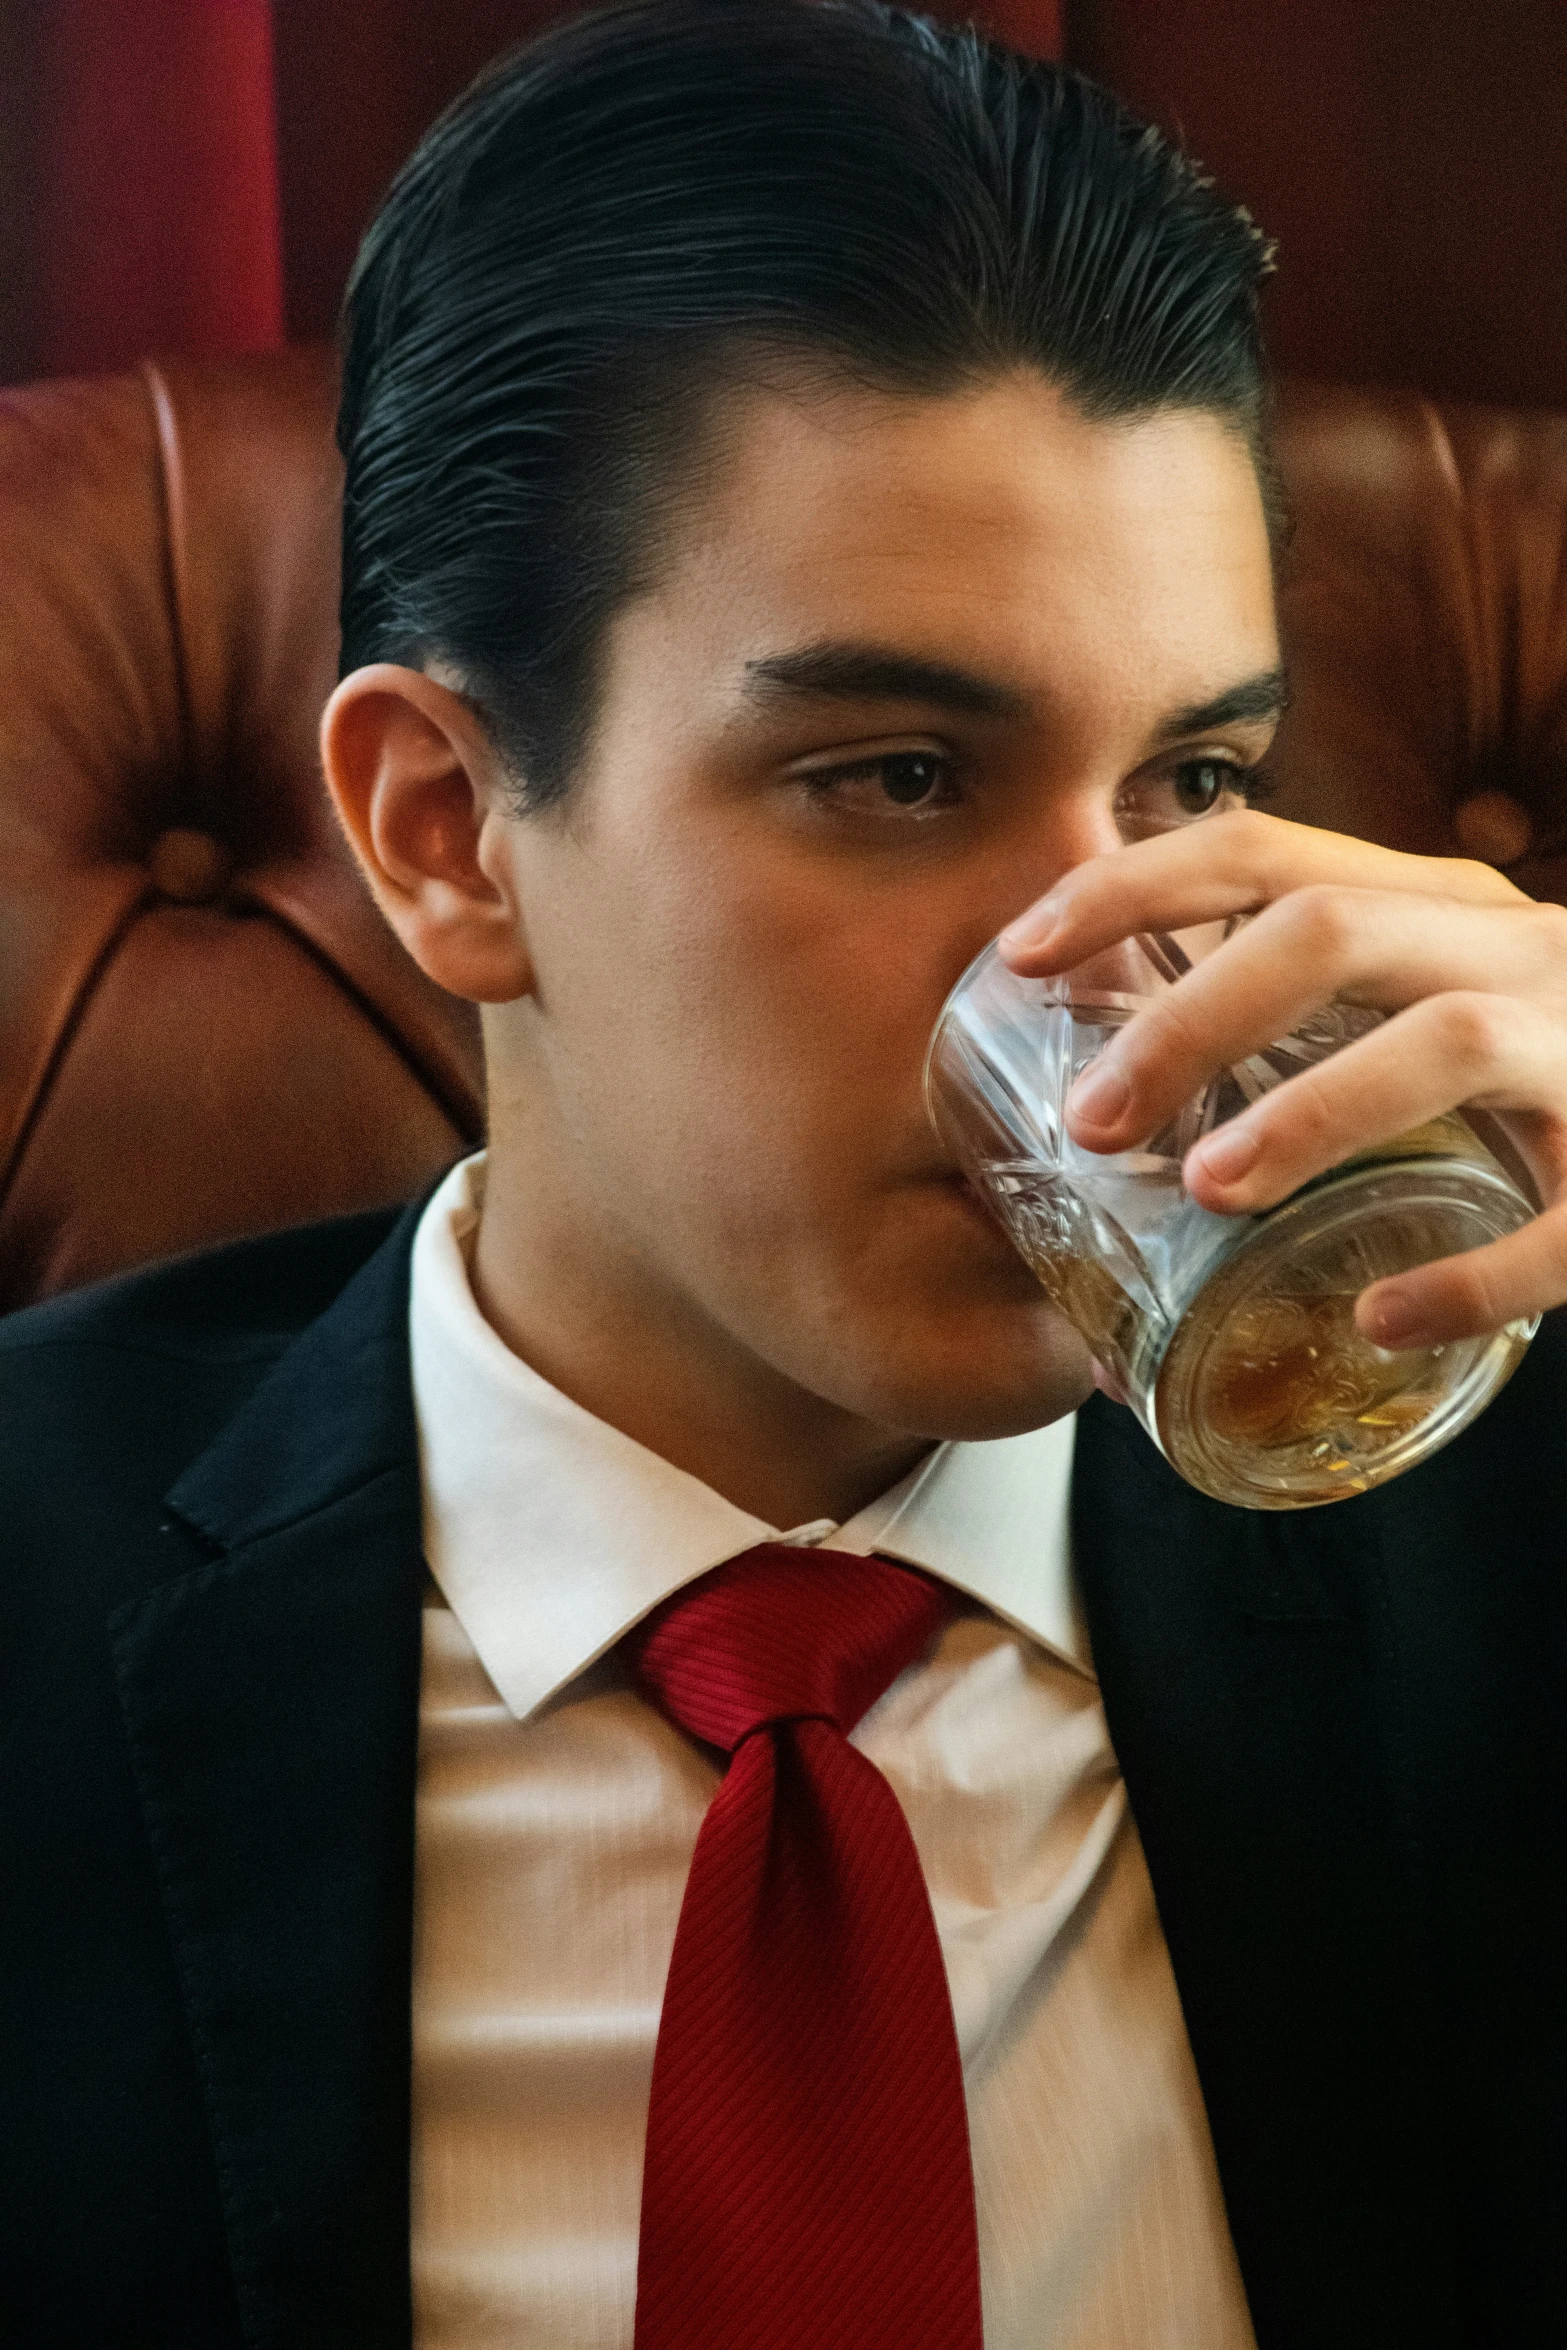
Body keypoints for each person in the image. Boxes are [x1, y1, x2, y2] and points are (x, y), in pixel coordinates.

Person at [3, 3, 1564, 2344]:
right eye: (900, 775)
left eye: (1189, 782)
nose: (1117, 987)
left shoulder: (1498, 1513)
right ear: (446, 834)